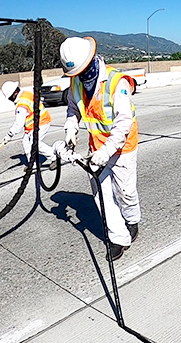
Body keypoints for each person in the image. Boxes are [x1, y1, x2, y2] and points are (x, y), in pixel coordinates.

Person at [59, 36, 140, 261]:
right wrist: (70, 129)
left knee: (126, 192)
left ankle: (132, 220)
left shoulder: (116, 82)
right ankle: (118, 239)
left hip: (122, 147)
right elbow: (73, 109)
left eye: (83, 71)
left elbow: (124, 123)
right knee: (102, 195)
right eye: (75, 74)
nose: (81, 77)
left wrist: (107, 152)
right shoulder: (76, 82)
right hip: (96, 147)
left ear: (92, 60)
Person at [0, 81, 58, 169]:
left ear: (15, 93)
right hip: (33, 125)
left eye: (10, 97)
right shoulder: (26, 94)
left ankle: (54, 157)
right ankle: (32, 164)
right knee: (26, 142)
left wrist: (9, 135)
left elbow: (19, 124)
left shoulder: (21, 105)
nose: (10, 100)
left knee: (35, 143)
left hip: (41, 122)